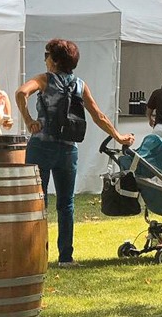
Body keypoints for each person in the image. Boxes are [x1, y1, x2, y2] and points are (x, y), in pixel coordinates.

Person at [15, 39, 134, 267]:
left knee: (37, 202)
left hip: (41, 146)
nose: (45, 59)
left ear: (54, 60)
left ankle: (36, 256)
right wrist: (119, 137)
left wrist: (29, 120)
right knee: (66, 203)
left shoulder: (44, 79)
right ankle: (66, 257)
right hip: (68, 149)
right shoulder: (79, 84)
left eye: (47, 55)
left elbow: (21, 93)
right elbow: (98, 115)